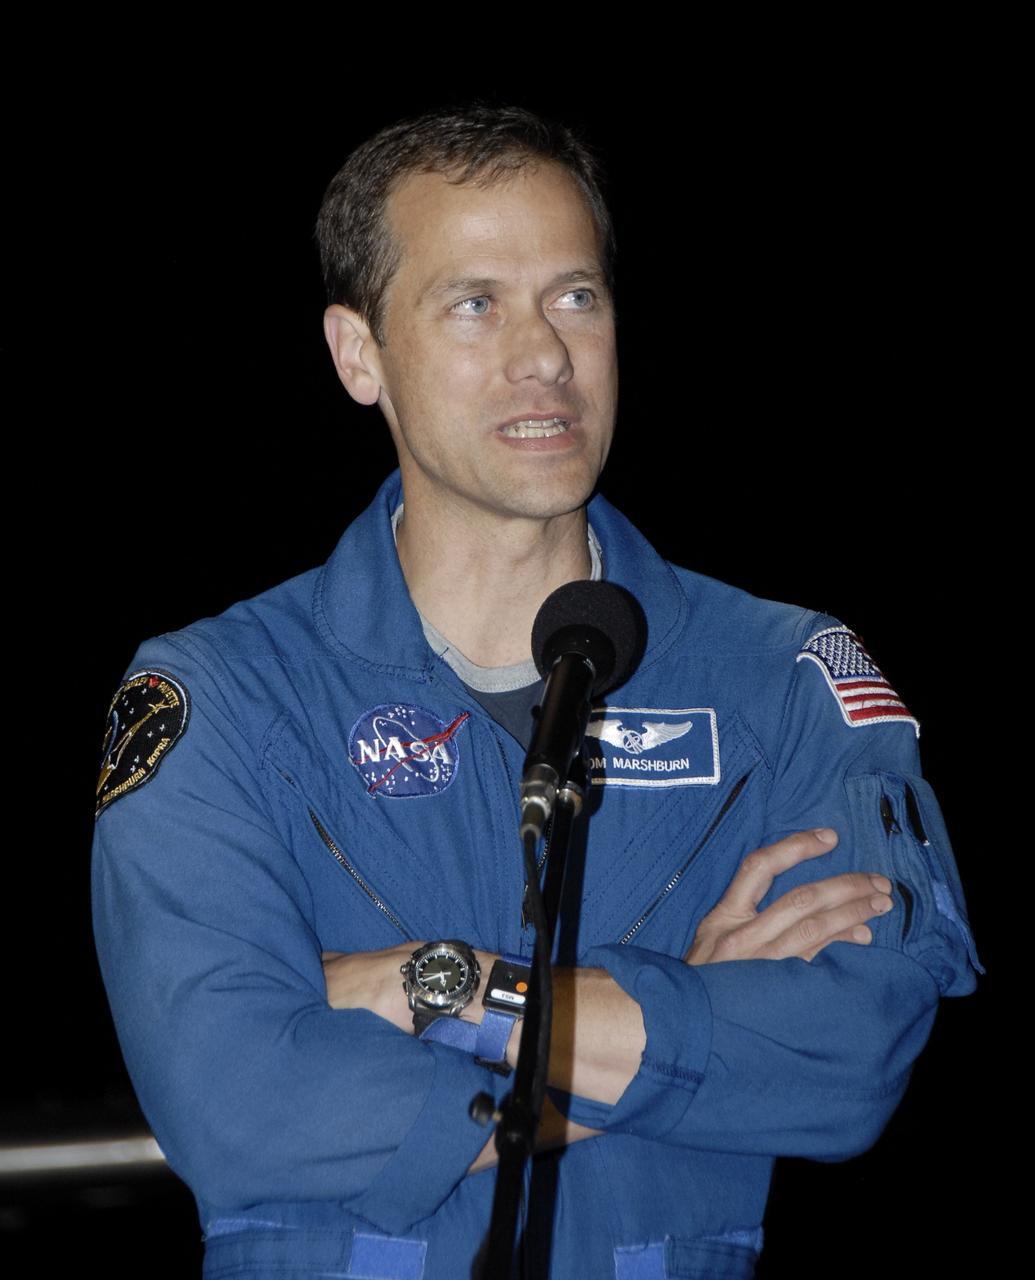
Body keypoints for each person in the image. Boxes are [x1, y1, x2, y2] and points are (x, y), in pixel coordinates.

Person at [92, 105, 980, 1280]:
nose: (545, 355)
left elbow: (847, 1054)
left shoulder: (786, 678)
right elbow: (243, 1101)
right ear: (359, 355)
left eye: (577, 296)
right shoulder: (219, 692)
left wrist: (433, 982)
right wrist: (687, 1024)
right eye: (476, 303)